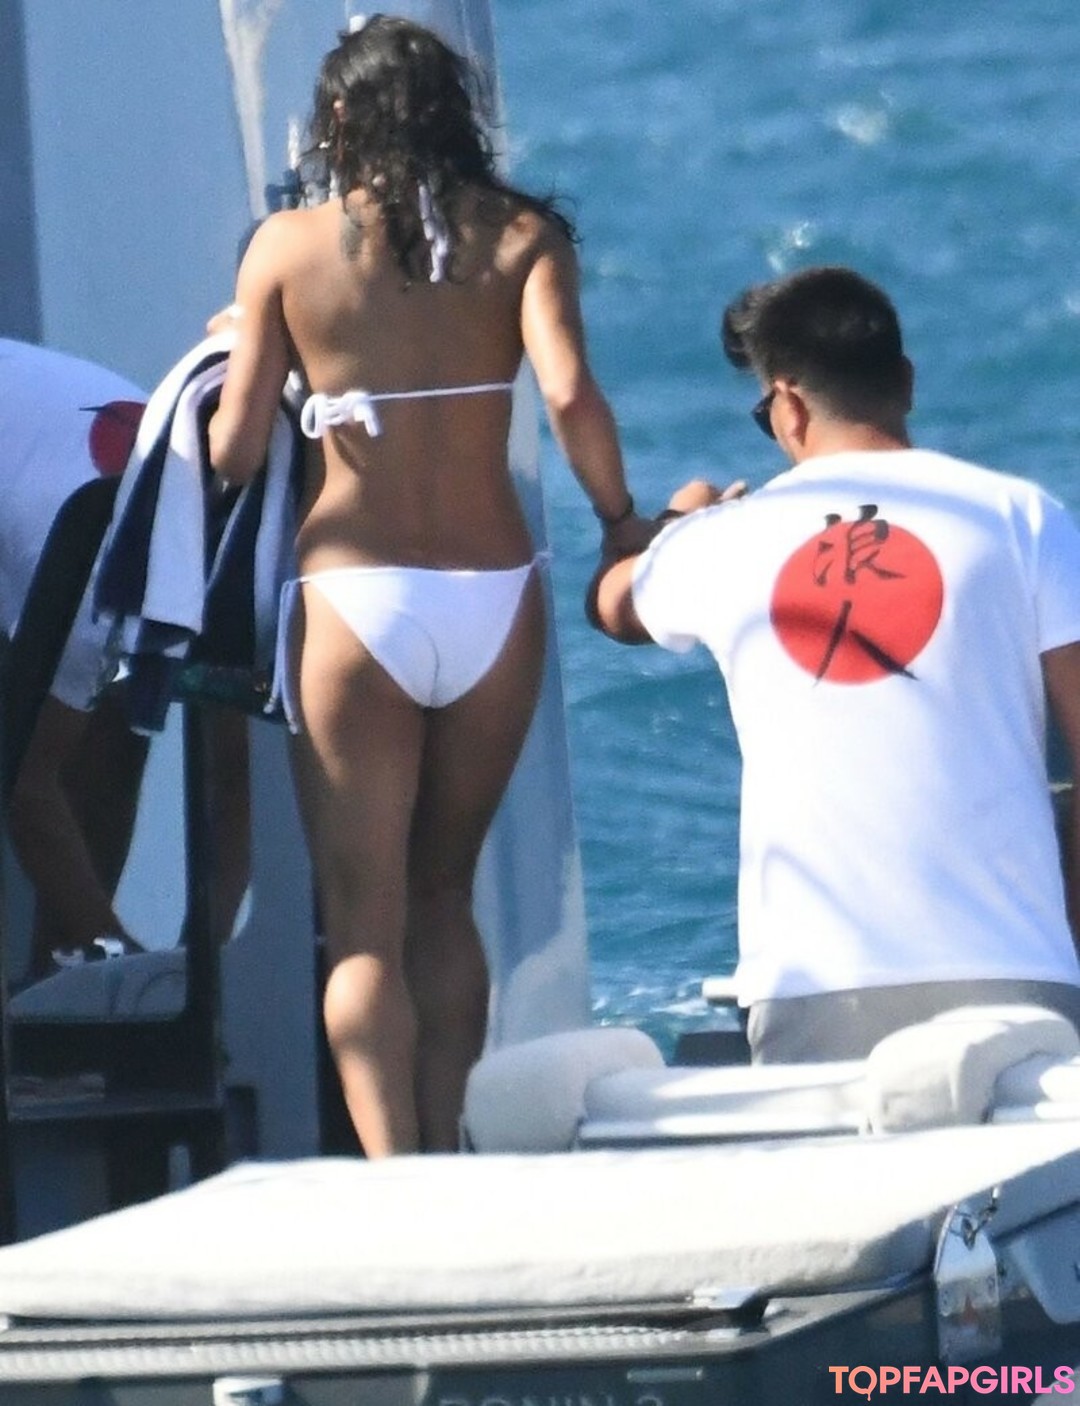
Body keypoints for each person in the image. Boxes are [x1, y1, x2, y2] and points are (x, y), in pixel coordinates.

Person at [207, 15, 647, 1155]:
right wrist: (620, 522)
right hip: (492, 596)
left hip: (353, 599)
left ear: (336, 118)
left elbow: (235, 453)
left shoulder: (285, 251)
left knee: (364, 925)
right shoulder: (525, 237)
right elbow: (570, 395)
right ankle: (454, 1155)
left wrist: (255, 350)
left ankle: (395, 1177)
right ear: (456, 111)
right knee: (445, 897)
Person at [592, 265, 1080, 1063]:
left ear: (786, 406)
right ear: (906, 382)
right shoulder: (1025, 517)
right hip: (1019, 977)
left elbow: (610, 605)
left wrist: (674, 522)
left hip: (814, 989)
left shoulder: (724, 540)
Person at [0, 338, 151, 983]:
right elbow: (24, 780)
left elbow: (231, 787)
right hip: (52, 512)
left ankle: (61, 976)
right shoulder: (97, 581)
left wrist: (208, 964)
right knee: (37, 741)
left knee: (119, 732)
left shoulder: (243, 579)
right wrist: (124, 964)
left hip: (34, 475)